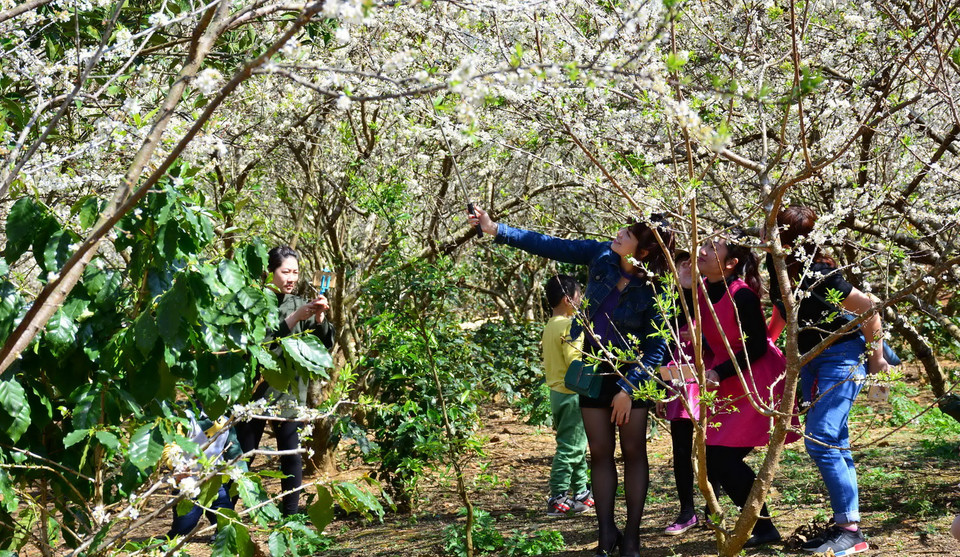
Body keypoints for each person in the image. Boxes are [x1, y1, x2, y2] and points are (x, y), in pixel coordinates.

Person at [469, 207, 673, 557]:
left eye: (629, 233)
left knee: (636, 453)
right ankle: (606, 533)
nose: (619, 234)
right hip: (593, 370)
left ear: (643, 252)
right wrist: (495, 229)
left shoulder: (659, 287)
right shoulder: (602, 255)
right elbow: (552, 245)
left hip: (632, 374)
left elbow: (659, 346)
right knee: (599, 454)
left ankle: (633, 539)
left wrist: (628, 389)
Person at [766, 206, 885, 555]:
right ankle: (847, 524)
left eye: (771, 230)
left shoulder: (821, 274)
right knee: (834, 441)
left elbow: (869, 308)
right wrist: (767, 342)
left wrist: (876, 358)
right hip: (810, 361)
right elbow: (782, 308)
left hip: (841, 357)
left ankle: (850, 529)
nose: (763, 237)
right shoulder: (780, 270)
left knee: (821, 439)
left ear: (787, 238)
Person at [691, 233, 798, 548]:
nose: (703, 250)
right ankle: (756, 524)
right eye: (705, 244)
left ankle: (763, 527)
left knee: (722, 458)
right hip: (725, 380)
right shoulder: (701, 291)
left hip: (754, 379)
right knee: (714, 457)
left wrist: (718, 371)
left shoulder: (743, 295)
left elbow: (758, 346)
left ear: (730, 263)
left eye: (713, 248)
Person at [234, 245, 336, 516]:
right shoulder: (254, 301)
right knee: (243, 457)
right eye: (284, 272)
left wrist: (319, 316)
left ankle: (291, 517)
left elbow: (323, 343)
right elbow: (257, 345)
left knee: (291, 458)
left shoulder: (299, 302)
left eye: (295, 272)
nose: (290, 278)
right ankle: (227, 516)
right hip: (255, 392)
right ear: (269, 272)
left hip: (290, 393)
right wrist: (293, 319)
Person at [541, 274, 594, 517]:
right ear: (567, 299)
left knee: (577, 444)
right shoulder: (570, 327)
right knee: (570, 448)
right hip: (572, 393)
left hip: (556, 393)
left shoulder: (550, 325)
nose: (581, 299)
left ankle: (581, 491)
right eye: (578, 295)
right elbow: (575, 362)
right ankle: (558, 496)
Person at [658, 251, 702, 536]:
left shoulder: (708, 295)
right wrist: (661, 388)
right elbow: (661, 344)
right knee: (681, 448)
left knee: (715, 446)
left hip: (708, 378)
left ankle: (713, 508)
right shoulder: (666, 300)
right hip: (678, 381)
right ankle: (687, 511)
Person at [163, 409, 246, 538]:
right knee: (183, 529)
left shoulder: (225, 420)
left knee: (225, 518)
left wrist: (242, 473)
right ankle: (172, 540)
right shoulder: (185, 418)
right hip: (188, 483)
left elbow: (234, 450)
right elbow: (171, 446)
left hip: (215, 481)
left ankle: (221, 536)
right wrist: (176, 466)